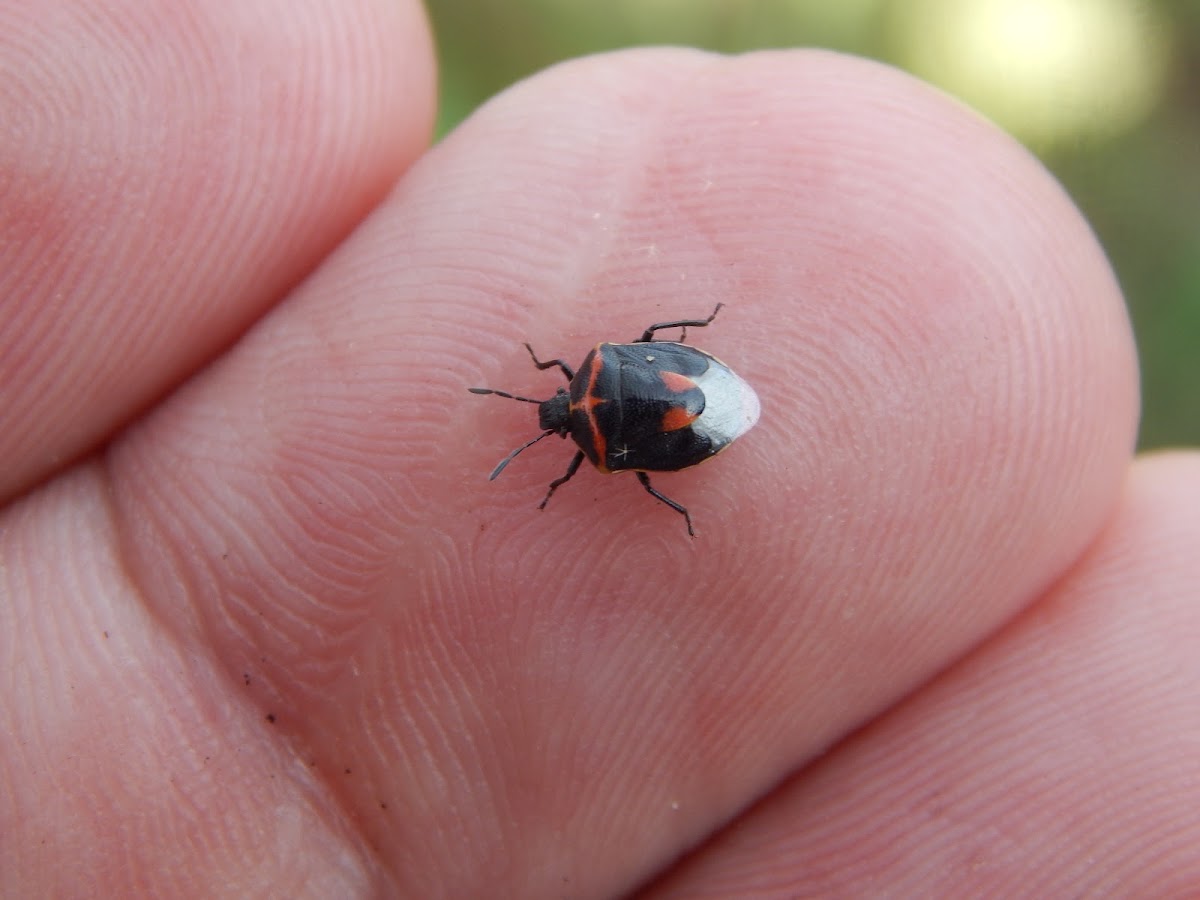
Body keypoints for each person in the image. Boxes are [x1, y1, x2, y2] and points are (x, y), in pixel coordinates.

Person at [2, 2, 1196, 896]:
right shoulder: (606, 391)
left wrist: (652, 464)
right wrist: (663, 421)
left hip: (691, 402)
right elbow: (656, 376)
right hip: (691, 392)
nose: (550, 416)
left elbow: (646, 423)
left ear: (560, 405)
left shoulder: (601, 430)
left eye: (544, 412)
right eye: (550, 417)